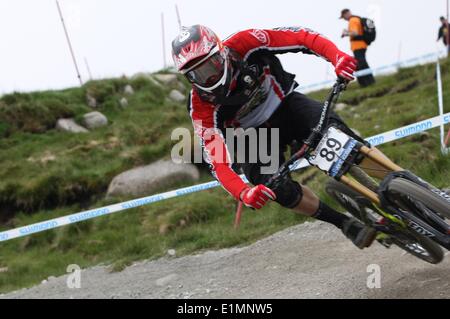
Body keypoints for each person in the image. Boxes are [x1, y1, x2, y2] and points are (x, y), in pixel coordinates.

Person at [171, 25, 377, 249]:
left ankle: (396, 178)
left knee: (339, 136)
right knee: (278, 190)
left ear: (221, 52)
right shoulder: (200, 106)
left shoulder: (246, 43)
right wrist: (245, 193)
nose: (208, 76)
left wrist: (336, 57)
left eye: (210, 65)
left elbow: (302, 37)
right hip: (254, 139)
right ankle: (344, 223)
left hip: (286, 107)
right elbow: (217, 162)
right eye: (196, 74)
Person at [340, 9, 376, 87]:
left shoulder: (352, 20)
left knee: (362, 64)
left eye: (343, 17)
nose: (344, 19)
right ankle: (367, 83)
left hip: (358, 46)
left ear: (347, 13)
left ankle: (369, 83)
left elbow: (355, 33)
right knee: (361, 64)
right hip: (360, 45)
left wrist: (345, 33)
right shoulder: (356, 19)